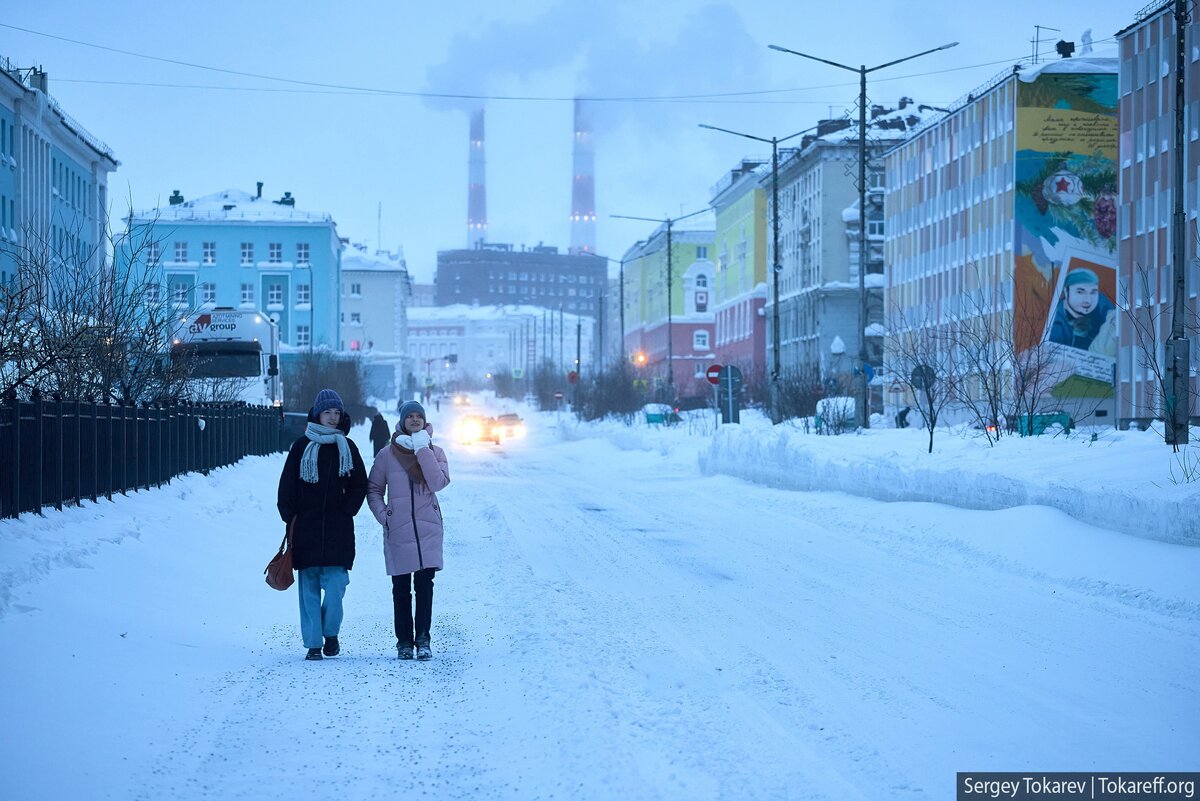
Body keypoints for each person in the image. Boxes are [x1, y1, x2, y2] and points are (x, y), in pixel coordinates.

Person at [277, 389, 368, 661]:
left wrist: (347, 510)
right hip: (307, 530)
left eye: (337, 413)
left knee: (337, 584)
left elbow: (359, 485)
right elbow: (287, 487)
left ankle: (331, 634)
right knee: (308, 590)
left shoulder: (347, 447)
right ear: (317, 414)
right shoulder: (301, 447)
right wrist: (292, 517)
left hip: (338, 531)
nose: (332, 417)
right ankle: (314, 643)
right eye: (327, 412)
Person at [367, 400, 450, 661]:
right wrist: (385, 516)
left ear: (424, 421)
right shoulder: (387, 454)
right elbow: (374, 490)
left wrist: (422, 448)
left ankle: (423, 640)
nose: (414, 420)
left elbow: (437, 483)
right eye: (409, 416)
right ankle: (404, 642)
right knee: (401, 589)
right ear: (402, 420)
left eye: (419, 416)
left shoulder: (435, 452)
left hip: (428, 528)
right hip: (399, 529)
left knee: (425, 586)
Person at [1047, 268, 1116, 352]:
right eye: (1080, 292)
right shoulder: (1055, 324)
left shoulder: (1102, 303)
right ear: (1066, 291)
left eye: (1093, 292)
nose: (1088, 300)